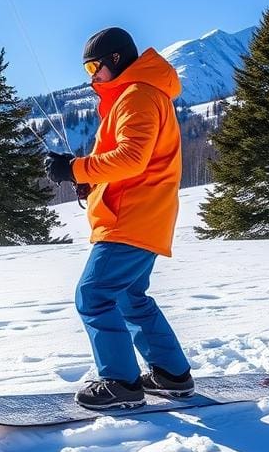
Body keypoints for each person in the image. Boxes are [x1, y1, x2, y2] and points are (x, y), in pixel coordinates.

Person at [45, 26, 194, 410]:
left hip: (131, 217)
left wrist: (76, 169)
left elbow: (132, 159)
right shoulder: (140, 93)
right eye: (86, 69)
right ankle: (171, 374)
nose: (91, 75)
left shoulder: (138, 95)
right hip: (143, 214)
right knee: (130, 296)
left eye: (95, 65)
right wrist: (92, 184)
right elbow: (134, 163)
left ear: (116, 59)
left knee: (93, 295)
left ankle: (120, 383)